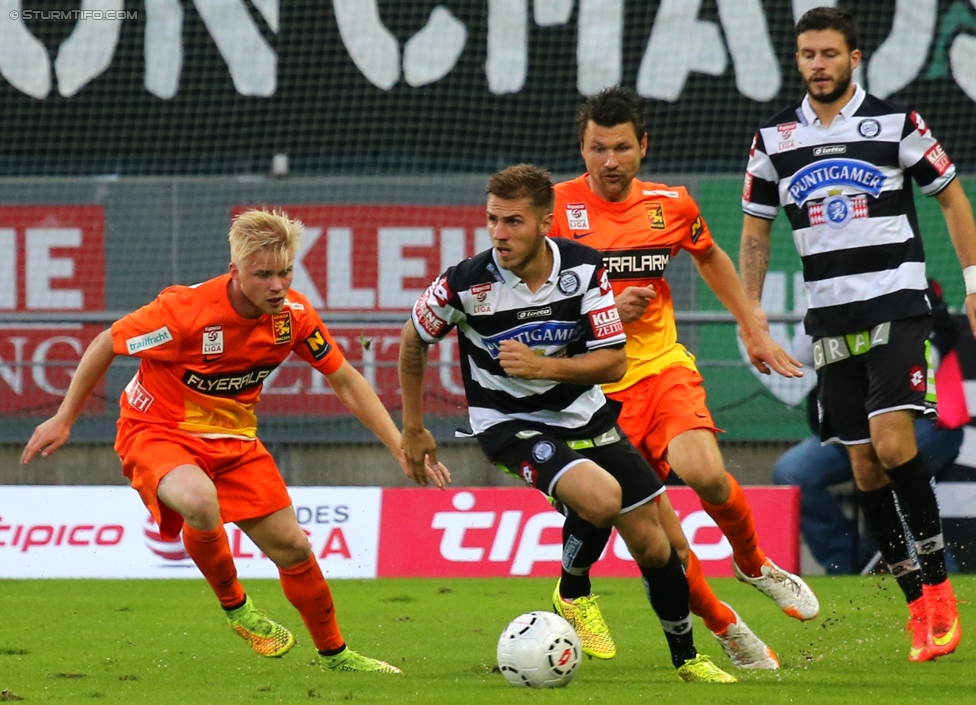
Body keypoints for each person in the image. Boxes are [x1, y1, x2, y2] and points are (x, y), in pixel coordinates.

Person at [21, 209, 449, 674]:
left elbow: (344, 379)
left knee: (295, 549)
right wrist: (65, 418)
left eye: (284, 272)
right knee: (200, 503)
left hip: (234, 439)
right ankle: (239, 610)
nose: (276, 286)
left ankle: (337, 655)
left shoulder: (295, 317)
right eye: (262, 275)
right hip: (157, 429)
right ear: (235, 272)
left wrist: (398, 445)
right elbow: (107, 342)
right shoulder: (184, 313)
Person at [399, 164, 736, 683]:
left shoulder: (585, 270)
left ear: (544, 223)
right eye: (492, 220)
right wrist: (414, 428)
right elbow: (411, 341)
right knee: (601, 498)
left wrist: (543, 367)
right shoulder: (464, 283)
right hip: (509, 423)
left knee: (656, 546)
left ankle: (688, 660)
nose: (499, 233)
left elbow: (614, 364)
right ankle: (574, 589)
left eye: (513, 221)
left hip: (585, 412)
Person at [546, 86, 818, 669]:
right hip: (591, 394)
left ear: (643, 146)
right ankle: (725, 626)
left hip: (661, 368)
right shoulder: (552, 212)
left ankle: (752, 563)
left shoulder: (672, 204)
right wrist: (601, 317)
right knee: (662, 546)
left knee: (705, 472)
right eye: (597, 149)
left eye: (621, 148)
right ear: (582, 148)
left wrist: (752, 323)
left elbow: (711, 255)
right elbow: (525, 304)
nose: (610, 162)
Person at [739, 7, 974, 662]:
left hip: (897, 306)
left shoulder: (898, 124)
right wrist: (751, 312)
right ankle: (917, 604)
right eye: (808, 54)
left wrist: (975, 283)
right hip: (830, 320)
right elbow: (756, 232)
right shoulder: (773, 139)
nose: (818, 64)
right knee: (862, 460)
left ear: (855, 58)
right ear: (799, 60)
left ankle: (941, 588)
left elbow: (953, 197)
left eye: (829, 53)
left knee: (894, 441)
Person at [774, 282, 965, 574]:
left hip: (928, 423)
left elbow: (944, 331)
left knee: (895, 463)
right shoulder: (827, 289)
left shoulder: (909, 280)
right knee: (792, 472)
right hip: (854, 428)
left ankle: (940, 573)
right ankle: (848, 566)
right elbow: (803, 353)